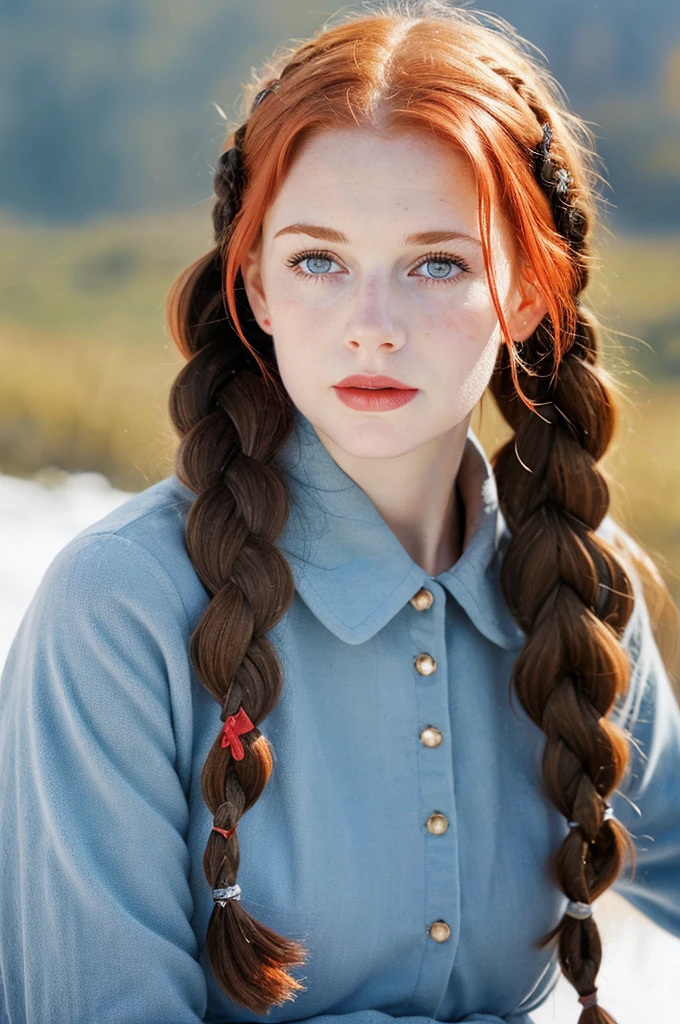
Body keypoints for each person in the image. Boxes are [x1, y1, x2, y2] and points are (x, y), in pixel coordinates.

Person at [0, 2, 678, 1022]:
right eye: (318, 259)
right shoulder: (119, 609)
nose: (371, 328)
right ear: (258, 288)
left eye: (436, 263)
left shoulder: (582, 586)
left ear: (529, 292)